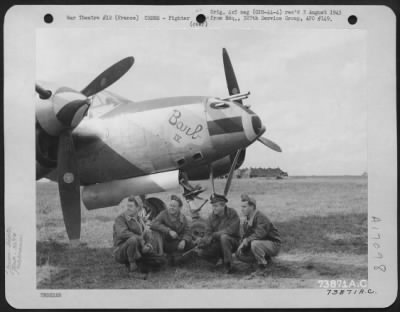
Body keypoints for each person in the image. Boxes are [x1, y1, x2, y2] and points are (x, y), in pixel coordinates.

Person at [113, 195, 161, 277]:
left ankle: (140, 264)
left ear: (138, 208)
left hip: (138, 249)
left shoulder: (139, 219)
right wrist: (141, 240)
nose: (128, 208)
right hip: (121, 251)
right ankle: (132, 267)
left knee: (160, 261)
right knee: (133, 239)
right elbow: (122, 233)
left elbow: (147, 233)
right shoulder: (120, 218)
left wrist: (147, 245)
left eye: (131, 206)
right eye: (128, 206)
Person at [236, 193, 281, 277]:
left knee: (255, 244)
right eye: (241, 207)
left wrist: (247, 240)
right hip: (262, 243)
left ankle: (262, 268)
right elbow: (246, 235)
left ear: (252, 207)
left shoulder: (260, 217)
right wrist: (242, 244)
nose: (241, 209)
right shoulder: (247, 219)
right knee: (239, 254)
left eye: (244, 207)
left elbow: (260, 234)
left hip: (273, 244)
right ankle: (266, 260)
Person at [195, 193, 240, 274]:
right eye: (213, 206)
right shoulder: (211, 217)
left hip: (234, 242)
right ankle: (219, 261)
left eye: (215, 206)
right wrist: (203, 241)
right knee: (201, 252)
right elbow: (208, 233)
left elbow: (232, 230)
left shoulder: (232, 213)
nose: (213, 208)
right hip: (218, 242)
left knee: (224, 237)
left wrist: (214, 235)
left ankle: (229, 265)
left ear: (223, 206)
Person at [150, 194, 193, 262]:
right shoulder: (163, 214)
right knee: (179, 255)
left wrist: (184, 240)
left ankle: (176, 256)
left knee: (191, 244)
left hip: (178, 241)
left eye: (174, 206)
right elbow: (153, 224)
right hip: (166, 242)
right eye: (170, 205)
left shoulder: (183, 218)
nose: (171, 208)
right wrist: (168, 231)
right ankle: (172, 256)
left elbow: (188, 231)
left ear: (179, 208)